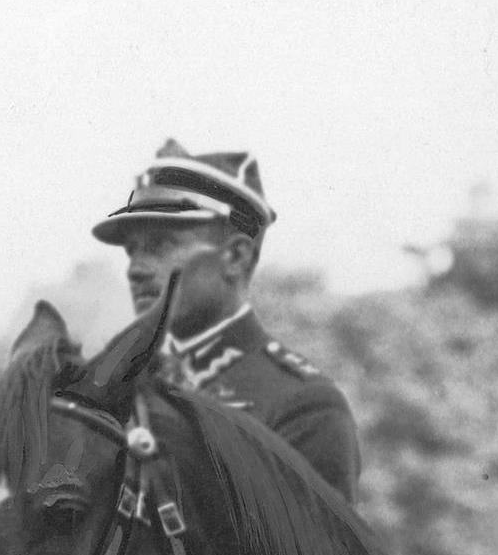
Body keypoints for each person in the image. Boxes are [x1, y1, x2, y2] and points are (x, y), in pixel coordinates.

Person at [90, 142, 358, 498]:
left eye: (161, 246)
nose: (135, 269)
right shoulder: (119, 392)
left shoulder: (303, 407)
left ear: (235, 257)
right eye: (131, 251)